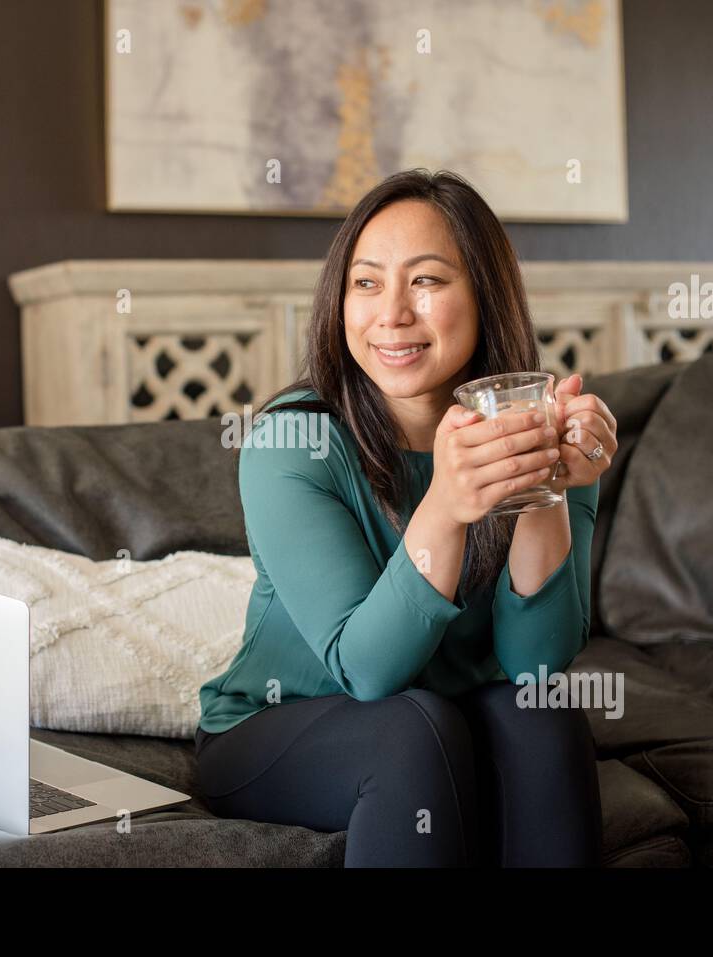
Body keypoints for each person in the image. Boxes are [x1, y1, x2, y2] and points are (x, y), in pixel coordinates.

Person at [195, 168, 619, 867]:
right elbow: (368, 670)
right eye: (366, 283)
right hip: (278, 727)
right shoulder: (292, 444)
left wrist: (547, 487)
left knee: (541, 713)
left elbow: (534, 663)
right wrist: (446, 506)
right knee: (410, 729)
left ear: (487, 294)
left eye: (425, 280)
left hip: (450, 715)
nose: (390, 313)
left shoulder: (542, 427)